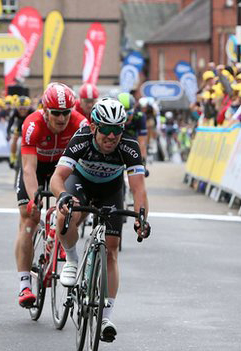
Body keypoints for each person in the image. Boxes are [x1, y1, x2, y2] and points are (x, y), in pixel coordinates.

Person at [50, 98, 150, 342]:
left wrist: (141, 219)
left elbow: (138, 190)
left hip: (111, 190)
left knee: (112, 250)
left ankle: (106, 316)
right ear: (94, 127)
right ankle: (72, 260)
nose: (111, 136)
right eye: (106, 129)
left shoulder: (129, 146)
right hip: (81, 183)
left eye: (117, 130)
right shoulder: (81, 138)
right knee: (65, 214)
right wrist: (63, 195)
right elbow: (57, 178)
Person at [14, 83, 87, 307]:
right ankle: (24, 284)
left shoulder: (79, 123)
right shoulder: (32, 125)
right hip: (36, 167)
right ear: (45, 110)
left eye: (67, 112)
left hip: (63, 168)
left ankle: (59, 236)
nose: (63, 118)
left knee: (78, 206)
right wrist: (35, 199)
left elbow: (83, 166)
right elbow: (28, 168)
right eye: (56, 113)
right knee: (30, 219)